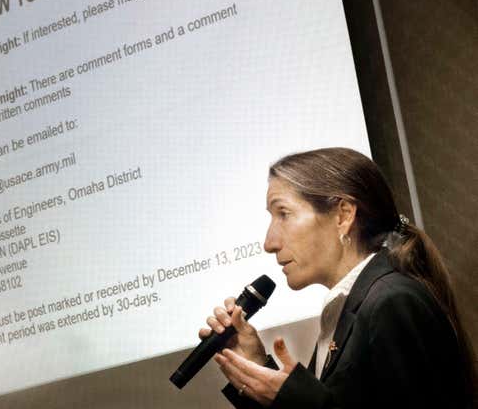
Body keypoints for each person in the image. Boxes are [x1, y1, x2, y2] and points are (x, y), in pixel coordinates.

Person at [199, 147, 475, 408]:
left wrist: (297, 400)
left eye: (283, 213)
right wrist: (258, 368)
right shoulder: (346, 311)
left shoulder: (392, 301)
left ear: (343, 215)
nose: (269, 242)